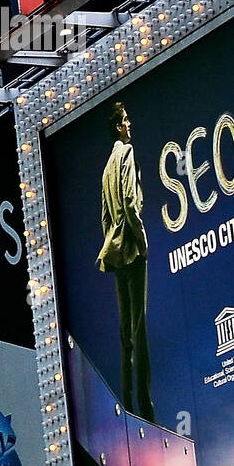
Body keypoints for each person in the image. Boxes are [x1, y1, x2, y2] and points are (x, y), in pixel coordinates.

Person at [96, 102, 154, 422]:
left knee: (124, 334)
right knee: (139, 329)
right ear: (119, 127)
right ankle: (145, 408)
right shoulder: (125, 155)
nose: (129, 124)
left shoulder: (106, 168)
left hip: (116, 253)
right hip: (132, 250)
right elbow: (130, 204)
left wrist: (111, 245)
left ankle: (129, 405)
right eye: (126, 120)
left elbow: (105, 216)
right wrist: (142, 242)